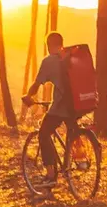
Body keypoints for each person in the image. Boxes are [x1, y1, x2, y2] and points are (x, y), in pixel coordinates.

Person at [21, 32, 73, 187]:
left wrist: (28, 95)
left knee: (43, 133)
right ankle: (75, 163)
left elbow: (37, 84)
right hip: (78, 104)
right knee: (73, 131)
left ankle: (51, 176)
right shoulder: (71, 56)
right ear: (62, 43)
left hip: (62, 106)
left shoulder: (49, 61)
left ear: (48, 45)